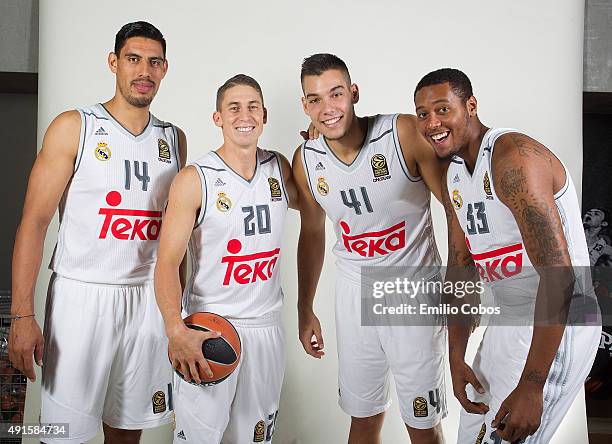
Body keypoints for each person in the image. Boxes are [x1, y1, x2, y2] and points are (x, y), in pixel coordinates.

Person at [8, 21, 184, 443]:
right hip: (81, 298)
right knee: (64, 434)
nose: (144, 70)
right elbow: (34, 221)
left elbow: (177, 239)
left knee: (127, 430)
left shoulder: (174, 139)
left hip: (145, 300)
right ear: (114, 62)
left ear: (165, 69)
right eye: (134, 59)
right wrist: (21, 314)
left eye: (154, 62)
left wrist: (178, 315)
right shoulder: (75, 126)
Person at [414, 67, 601, 443]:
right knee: (472, 436)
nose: (432, 122)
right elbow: (461, 271)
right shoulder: (453, 174)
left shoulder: (513, 158)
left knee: (509, 436)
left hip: (559, 321)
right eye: (422, 114)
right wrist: (456, 357)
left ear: (471, 106)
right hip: (507, 322)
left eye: (442, 109)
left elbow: (559, 277)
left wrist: (533, 385)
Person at [294, 53, 446, 444]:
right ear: (305, 106)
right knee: (362, 418)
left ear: (354, 93)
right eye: (315, 99)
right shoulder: (307, 159)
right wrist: (304, 306)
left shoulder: (403, 132)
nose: (327, 108)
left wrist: (469, 276)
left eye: (336, 94)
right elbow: (312, 233)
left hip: (411, 289)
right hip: (353, 291)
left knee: (422, 424)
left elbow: (453, 204)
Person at [154, 74, 298, 444]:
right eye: (233, 107)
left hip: (266, 329)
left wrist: (321, 140)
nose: (244, 115)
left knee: (255, 439)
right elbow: (168, 262)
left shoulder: (279, 170)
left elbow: (320, 197)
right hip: (209, 327)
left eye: (252, 107)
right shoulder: (195, 179)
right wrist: (175, 328)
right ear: (218, 118)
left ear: (264, 115)